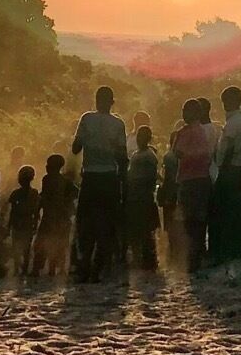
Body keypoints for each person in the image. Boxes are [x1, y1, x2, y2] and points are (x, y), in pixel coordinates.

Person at [70, 84, 131, 280]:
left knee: (85, 224)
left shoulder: (87, 119)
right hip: (109, 178)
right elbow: (122, 157)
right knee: (107, 224)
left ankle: (83, 265)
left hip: (90, 176)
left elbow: (75, 148)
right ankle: (98, 268)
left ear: (96, 101)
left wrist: (90, 139)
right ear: (112, 103)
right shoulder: (118, 124)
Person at [210, 85, 241, 261]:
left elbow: (227, 150)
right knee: (236, 209)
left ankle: (229, 250)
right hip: (239, 167)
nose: (224, 104)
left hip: (231, 169)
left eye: (226, 101)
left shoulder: (233, 123)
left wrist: (222, 171)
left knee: (227, 210)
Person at [170, 98, 215, 269]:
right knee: (200, 220)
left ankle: (192, 259)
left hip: (188, 180)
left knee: (188, 221)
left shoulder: (184, 132)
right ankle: (198, 255)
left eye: (185, 111)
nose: (183, 114)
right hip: (202, 178)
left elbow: (177, 153)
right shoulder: (204, 131)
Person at [125, 125, 163, 271]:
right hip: (138, 196)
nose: (140, 140)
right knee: (140, 230)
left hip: (143, 196)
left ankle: (148, 261)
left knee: (145, 231)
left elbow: (150, 177)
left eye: (143, 137)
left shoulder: (147, 156)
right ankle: (142, 260)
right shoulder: (138, 155)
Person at [36, 153, 75, 280]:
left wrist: (37, 209)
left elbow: (44, 196)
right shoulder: (65, 180)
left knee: (44, 242)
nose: (46, 167)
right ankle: (58, 268)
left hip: (50, 216)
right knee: (59, 242)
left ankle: (41, 268)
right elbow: (75, 191)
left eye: (48, 165)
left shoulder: (47, 179)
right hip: (61, 217)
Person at [5, 163, 40, 277]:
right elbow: (36, 211)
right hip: (28, 223)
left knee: (17, 247)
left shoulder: (16, 193)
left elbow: (12, 212)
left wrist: (8, 226)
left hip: (18, 224)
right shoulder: (34, 193)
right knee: (26, 248)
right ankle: (24, 269)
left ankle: (17, 269)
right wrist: (35, 223)